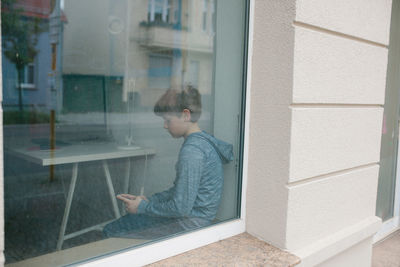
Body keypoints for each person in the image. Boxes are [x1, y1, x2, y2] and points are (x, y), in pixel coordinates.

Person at [103, 86, 233, 239]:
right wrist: (151, 200)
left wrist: (142, 207)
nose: (164, 125)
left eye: (168, 120)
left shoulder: (192, 151)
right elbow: (181, 191)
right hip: (195, 219)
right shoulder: (203, 142)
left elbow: (181, 208)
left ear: (185, 115)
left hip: (189, 224)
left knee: (111, 230)